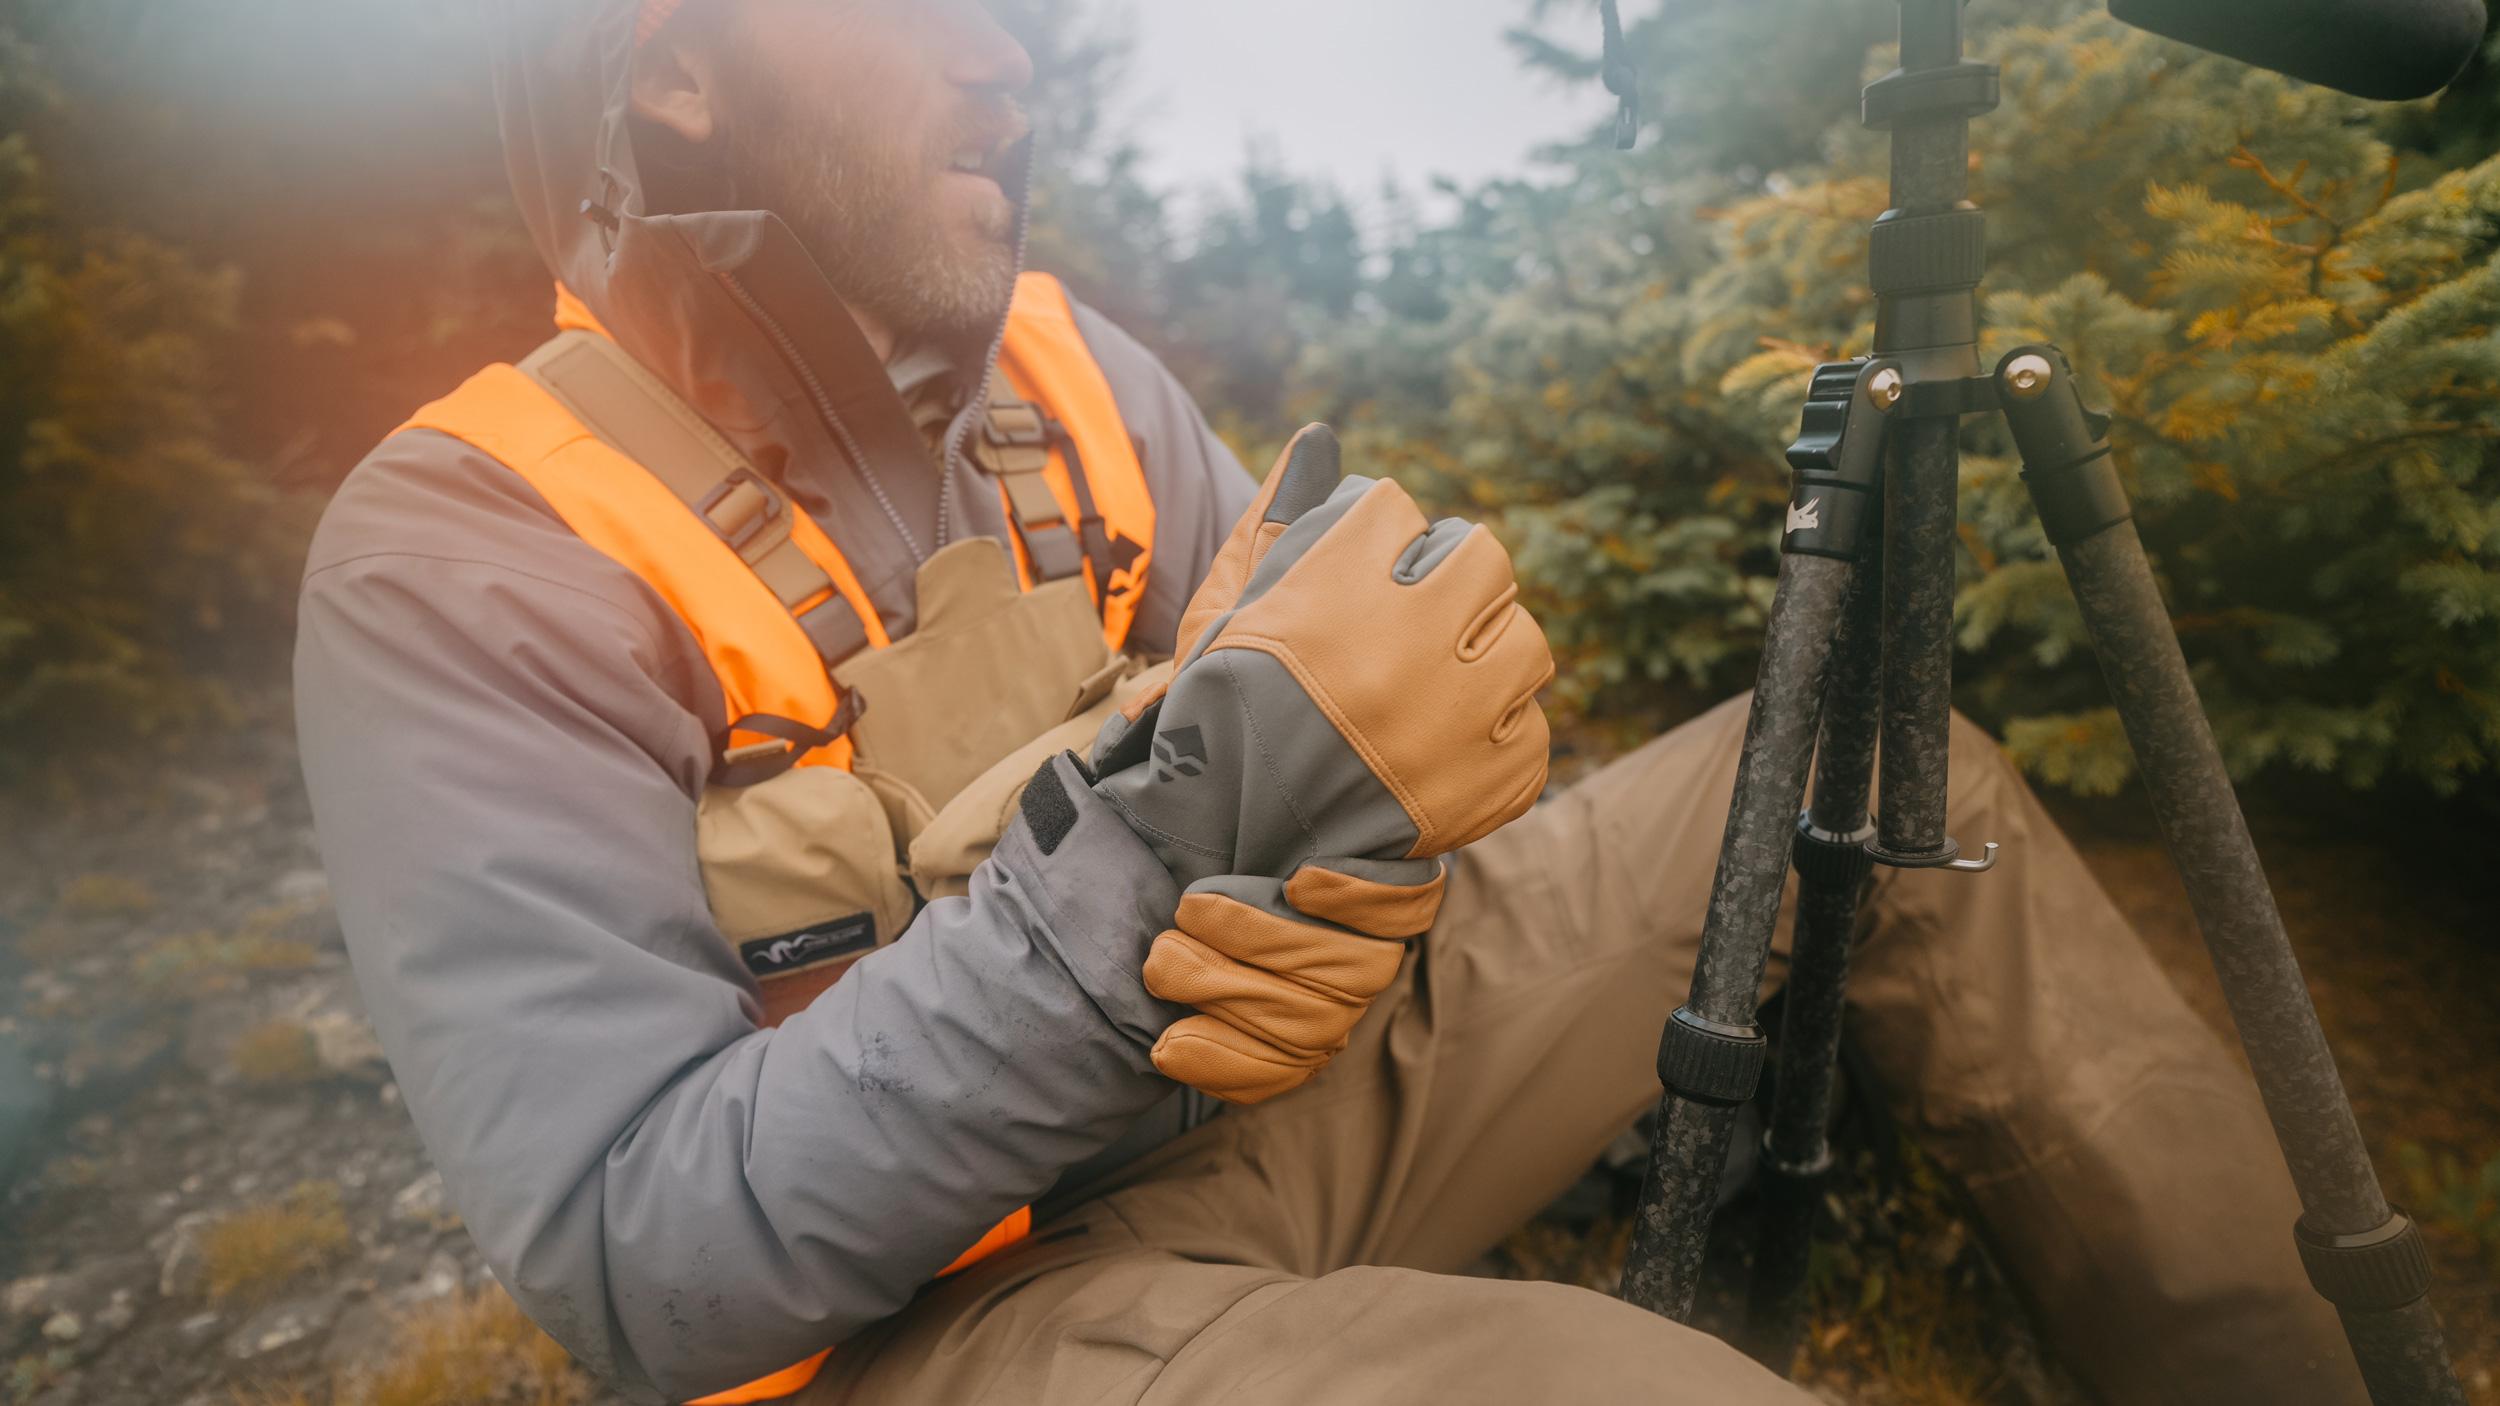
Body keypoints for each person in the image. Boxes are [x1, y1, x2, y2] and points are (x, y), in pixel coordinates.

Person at [291, 2, 2368, 1403]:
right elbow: (630, 1252)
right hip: (933, 1321)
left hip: (1276, 1109)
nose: (1008, 53)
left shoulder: (1068, 369)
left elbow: (1313, 739)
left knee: (1846, 771)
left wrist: (1357, 851)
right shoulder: (465, 550)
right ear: (672, 67)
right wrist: (1176, 846)